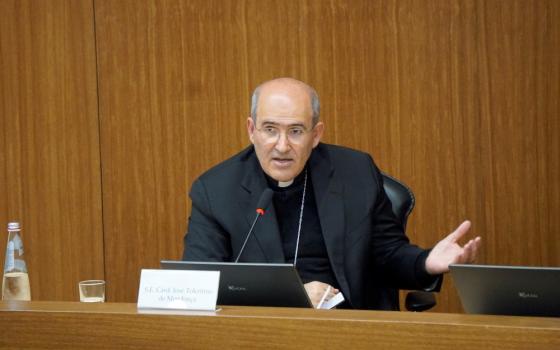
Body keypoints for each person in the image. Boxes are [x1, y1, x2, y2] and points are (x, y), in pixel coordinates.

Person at [182, 77, 481, 309]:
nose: (282, 146)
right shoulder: (216, 189)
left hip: (350, 326)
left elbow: (387, 255)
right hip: (263, 330)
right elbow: (199, 281)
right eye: (270, 129)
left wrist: (426, 262)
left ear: (316, 134)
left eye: (296, 131)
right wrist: (294, 297)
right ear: (251, 130)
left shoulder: (355, 173)